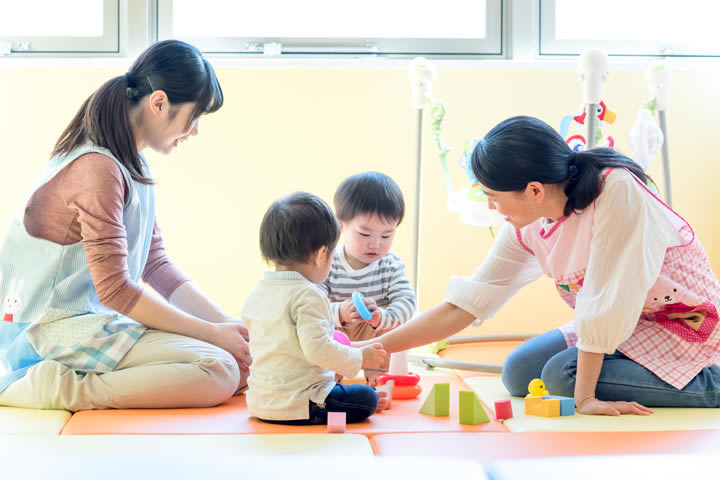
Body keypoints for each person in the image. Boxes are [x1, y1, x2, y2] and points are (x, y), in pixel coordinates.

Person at [359, 115, 720, 416]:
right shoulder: (526, 225)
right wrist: (372, 350)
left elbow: (608, 297)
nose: (492, 208)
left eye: (493, 197)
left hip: (683, 328)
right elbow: (466, 304)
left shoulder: (617, 191)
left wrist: (586, 400)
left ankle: (712, 383)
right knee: (519, 373)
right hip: (625, 329)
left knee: (563, 378)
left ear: (534, 190)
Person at [0, 40, 251, 411]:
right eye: (193, 116)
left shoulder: (131, 165)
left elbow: (156, 266)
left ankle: (71, 383)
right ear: (159, 103)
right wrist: (213, 335)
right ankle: (52, 388)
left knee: (236, 365)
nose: (194, 130)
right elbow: (116, 289)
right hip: (47, 332)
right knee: (217, 367)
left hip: (90, 325)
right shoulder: (97, 168)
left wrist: (230, 327)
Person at [242, 192, 388, 425]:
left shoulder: (260, 291)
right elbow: (317, 350)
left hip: (261, 402)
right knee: (367, 397)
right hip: (302, 404)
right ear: (322, 254)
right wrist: (360, 357)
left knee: (335, 352)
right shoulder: (309, 294)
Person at [320, 172, 416, 378]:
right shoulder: (327, 262)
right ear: (341, 225)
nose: (376, 244)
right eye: (365, 234)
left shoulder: (390, 265)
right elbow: (312, 304)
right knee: (317, 332)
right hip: (339, 332)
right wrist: (339, 312)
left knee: (393, 332)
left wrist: (384, 317)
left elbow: (407, 301)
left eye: (386, 235)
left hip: (375, 332)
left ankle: (378, 376)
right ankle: (328, 379)